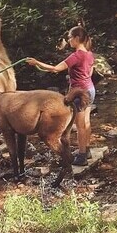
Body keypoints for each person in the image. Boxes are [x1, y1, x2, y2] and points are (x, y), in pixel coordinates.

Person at [27, 25, 95, 166]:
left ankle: (82, 156)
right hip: (90, 89)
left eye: (70, 38)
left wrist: (36, 63)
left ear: (77, 38)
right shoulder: (89, 54)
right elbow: (91, 71)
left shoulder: (76, 56)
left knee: (80, 125)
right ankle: (86, 150)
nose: (69, 40)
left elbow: (55, 69)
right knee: (86, 122)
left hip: (80, 93)